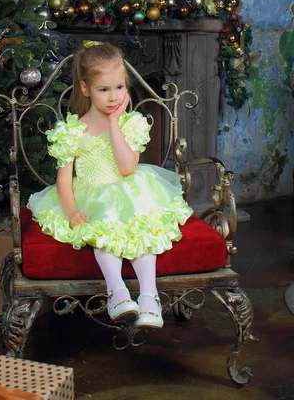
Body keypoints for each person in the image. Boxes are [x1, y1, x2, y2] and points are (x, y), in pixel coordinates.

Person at [28, 41, 193, 329]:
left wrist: (115, 123)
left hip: (131, 189)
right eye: (103, 89)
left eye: (119, 87)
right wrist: (71, 213)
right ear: (85, 89)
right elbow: (64, 181)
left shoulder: (131, 123)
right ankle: (117, 293)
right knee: (103, 226)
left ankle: (149, 298)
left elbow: (128, 167)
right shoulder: (71, 131)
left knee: (143, 230)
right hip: (91, 195)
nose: (113, 96)